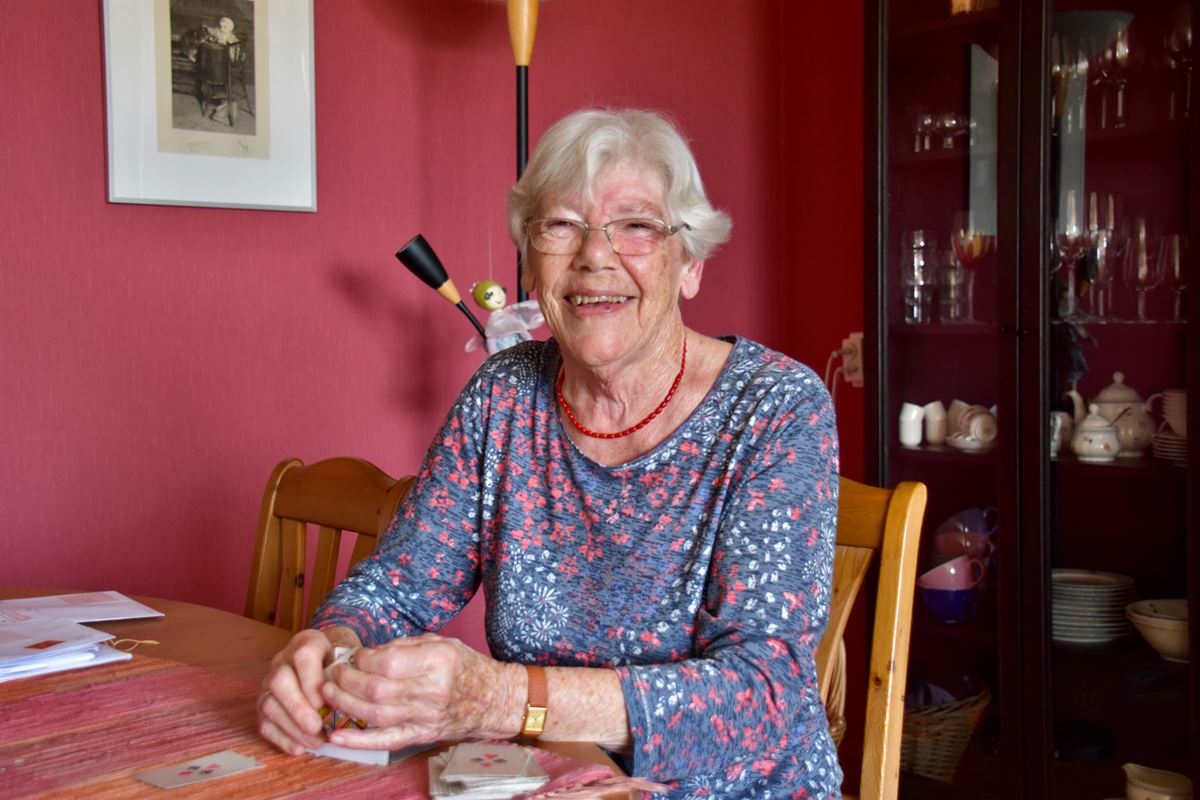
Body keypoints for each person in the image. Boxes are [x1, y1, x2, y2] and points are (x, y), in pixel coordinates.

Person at [257, 108, 842, 798]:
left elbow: (764, 696)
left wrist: (501, 698)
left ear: (690, 263)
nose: (596, 256)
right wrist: (332, 645)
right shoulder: (504, 395)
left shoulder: (775, 408)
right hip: (549, 783)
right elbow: (401, 584)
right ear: (532, 264)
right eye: (561, 226)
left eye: (636, 226)